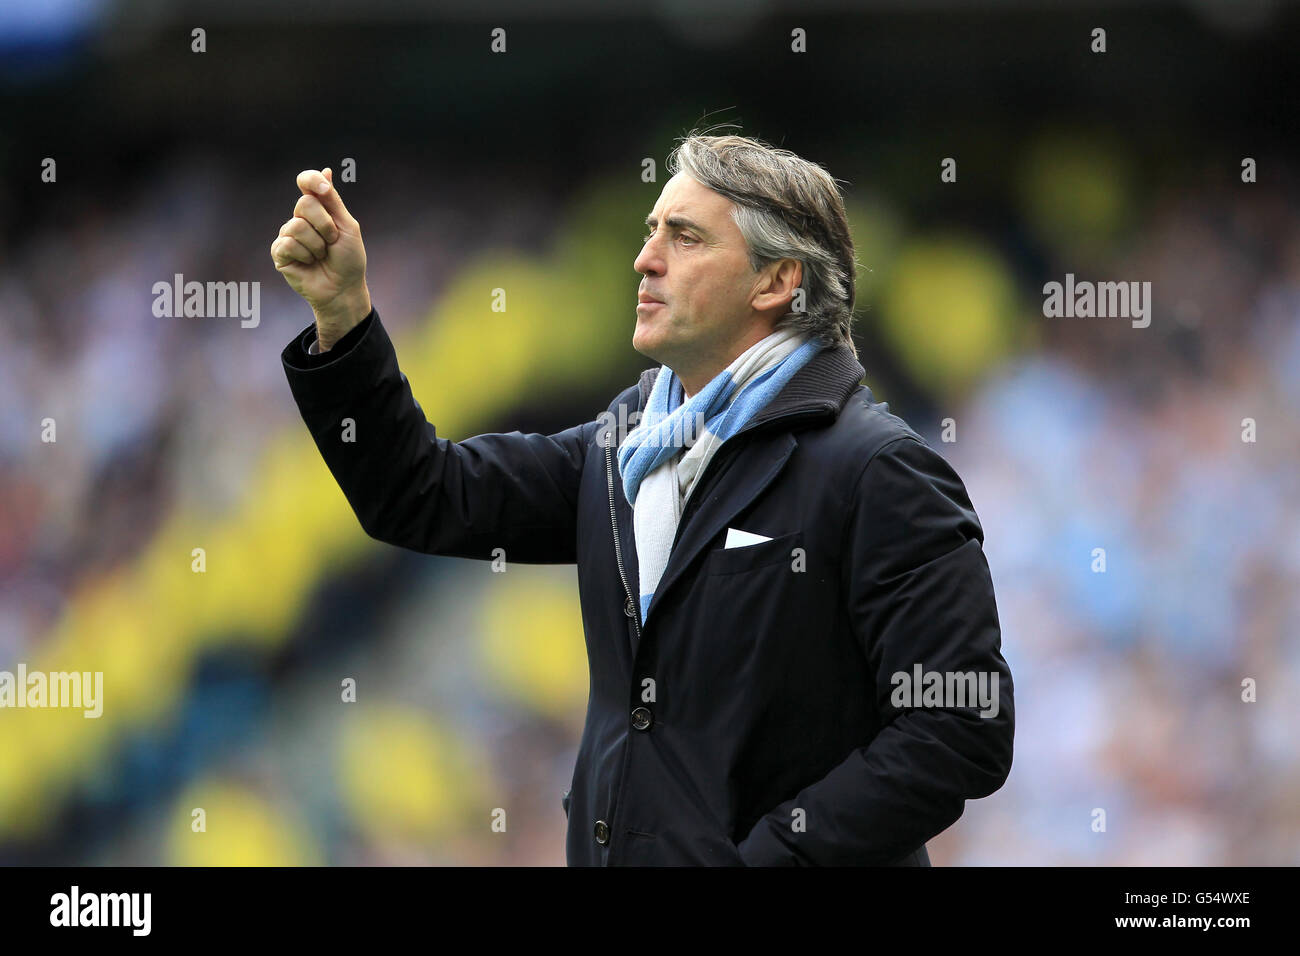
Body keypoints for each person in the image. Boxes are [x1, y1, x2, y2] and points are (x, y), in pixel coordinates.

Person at [271, 132, 1014, 866]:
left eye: (684, 238)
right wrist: (344, 320)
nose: (645, 258)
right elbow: (421, 495)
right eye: (651, 230)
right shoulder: (625, 444)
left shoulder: (878, 470)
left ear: (776, 281)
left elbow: (959, 725)